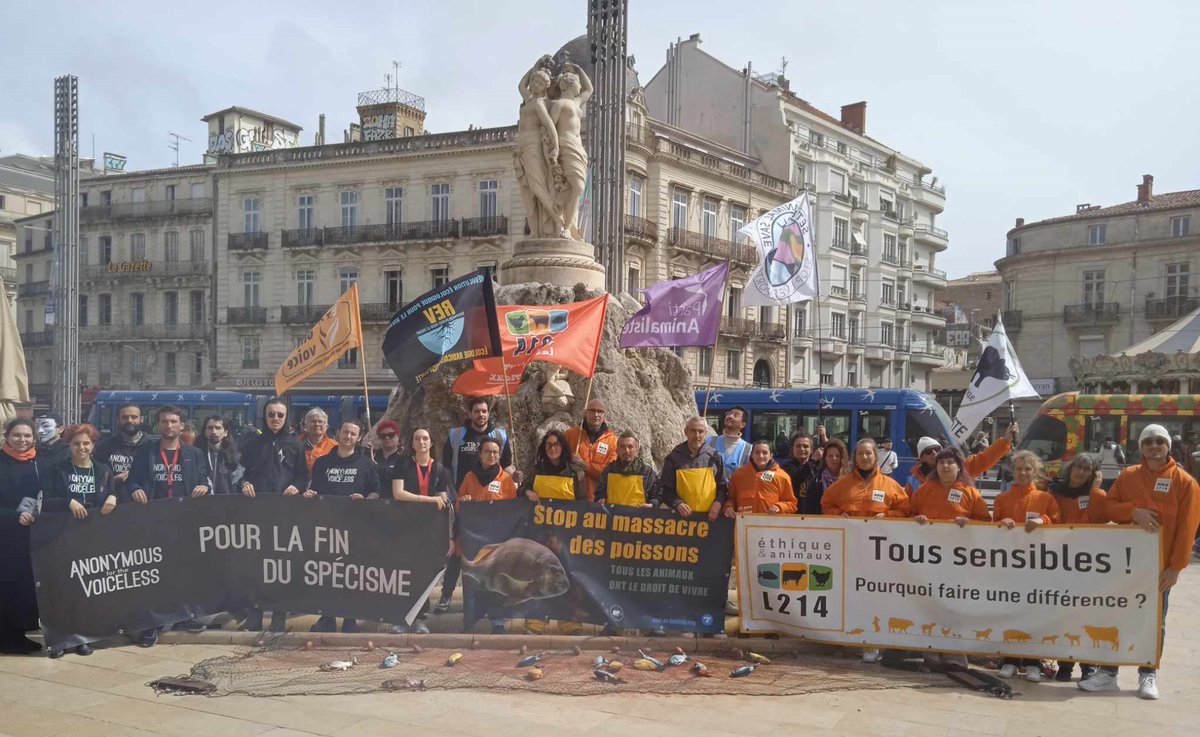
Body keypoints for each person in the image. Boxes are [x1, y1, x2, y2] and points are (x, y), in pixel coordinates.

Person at [1080, 424, 1200, 700]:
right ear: (1141, 447)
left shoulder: (1185, 483)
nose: (1154, 446)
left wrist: (1176, 567)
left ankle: (1148, 674)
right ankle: (1108, 674)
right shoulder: (1128, 476)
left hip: (1159, 569)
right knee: (1117, 616)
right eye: (1149, 441)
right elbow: (1109, 507)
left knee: (1155, 621)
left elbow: (1188, 528)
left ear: (1168, 446)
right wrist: (1134, 512)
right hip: (1125, 566)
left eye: (1159, 441)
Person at [126, 406, 211, 646]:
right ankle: (152, 625)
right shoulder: (146, 452)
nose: (169, 426)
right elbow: (132, 481)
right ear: (158, 426)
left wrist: (204, 487)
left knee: (184, 571)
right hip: (154, 520)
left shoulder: (194, 454)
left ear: (181, 426)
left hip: (184, 521)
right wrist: (135, 489)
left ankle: (185, 617)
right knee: (155, 574)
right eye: (164, 422)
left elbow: (204, 480)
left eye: (174, 421)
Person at [821, 438, 909, 662]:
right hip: (850, 551)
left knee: (876, 596)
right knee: (851, 594)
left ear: (875, 456)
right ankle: (852, 638)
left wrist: (888, 516)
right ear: (854, 458)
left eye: (868, 453)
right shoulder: (842, 484)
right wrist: (838, 515)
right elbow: (826, 504)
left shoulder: (889, 485)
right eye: (860, 453)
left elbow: (905, 509)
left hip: (880, 552)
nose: (864, 457)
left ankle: (874, 641)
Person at [910, 446, 990, 669]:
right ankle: (931, 654)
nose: (945, 466)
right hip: (928, 559)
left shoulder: (970, 492)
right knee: (931, 606)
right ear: (935, 467)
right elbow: (908, 513)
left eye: (950, 463)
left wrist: (970, 524)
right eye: (941, 462)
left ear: (959, 467)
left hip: (958, 561)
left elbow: (986, 521)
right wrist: (916, 519)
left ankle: (955, 656)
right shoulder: (925, 490)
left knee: (955, 608)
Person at [42, 423, 119, 657]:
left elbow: (112, 494)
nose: (82, 447)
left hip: (91, 536)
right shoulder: (57, 469)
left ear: (93, 445)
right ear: (69, 445)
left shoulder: (103, 470)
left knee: (87, 588)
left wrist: (113, 497)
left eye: (86, 443)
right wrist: (68, 502)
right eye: (76, 443)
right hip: (62, 535)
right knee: (62, 588)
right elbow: (44, 501)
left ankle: (83, 637)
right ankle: (60, 639)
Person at [435, 397, 515, 614]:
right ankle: (445, 596)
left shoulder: (499, 436)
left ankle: (489, 602)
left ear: (489, 413)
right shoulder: (457, 435)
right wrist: (454, 497)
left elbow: (507, 466)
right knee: (456, 554)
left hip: (490, 512)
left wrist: (511, 478)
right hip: (463, 503)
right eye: (477, 411)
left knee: (489, 556)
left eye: (484, 411)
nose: (481, 415)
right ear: (469, 413)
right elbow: (446, 470)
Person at [305, 419, 381, 634]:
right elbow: (315, 491)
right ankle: (327, 617)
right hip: (327, 527)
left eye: (353, 434)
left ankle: (350, 619)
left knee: (352, 575)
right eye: (345, 432)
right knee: (329, 574)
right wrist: (310, 495)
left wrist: (366, 499)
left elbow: (376, 491)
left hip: (355, 528)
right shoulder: (322, 463)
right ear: (337, 434)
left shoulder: (366, 464)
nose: (348, 437)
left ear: (358, 438)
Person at [238, 399, 307, 632]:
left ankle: (279, 617)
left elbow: (301, 476)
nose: (275, 419)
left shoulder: (296, 445)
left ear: (286, 417)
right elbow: (241, 473)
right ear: (264, 417)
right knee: (256, 566)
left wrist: (297, 487)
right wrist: (244, 483)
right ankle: (254, 615)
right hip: (257, 512)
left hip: (285, 514)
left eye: (280, 415)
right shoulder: (252, 443)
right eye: (271, 414)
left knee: (281, 566)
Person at [991, 450, 1060, 682]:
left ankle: (1032, 661)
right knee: (1009, 613)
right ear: (1013, 471)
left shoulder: (1045, 498)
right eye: (1019, 468)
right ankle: (1009, 660)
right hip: (1009, 566)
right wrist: (1002, 523)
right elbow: (991, 530)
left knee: (1033, 613)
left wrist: (1043, 520)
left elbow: (1059, 522)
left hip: (1037, 566)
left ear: (1035, 472)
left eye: (1027, 468)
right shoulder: (1002, 499)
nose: (1022, 473)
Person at [660, 416, 729, 636]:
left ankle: (710, 624)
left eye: (701, 431)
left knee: (710, 574)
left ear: (706, 433)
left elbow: (723, 488)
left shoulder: (714, 457)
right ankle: (684, 623)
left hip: (710, 526)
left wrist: (718, 504)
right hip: (683, 526)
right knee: (683, 575)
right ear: (685, 431)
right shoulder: (674, 457)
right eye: (693, 431)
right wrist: (677, 504)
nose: (697, 436)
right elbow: (665, 489)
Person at [1046, 452, 1105, 682]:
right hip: (1060, 562)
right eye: (1078, 467)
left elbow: (1099, 519)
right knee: (1065, 617)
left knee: (1086, 616)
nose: (1081, 472)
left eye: (1087, 470)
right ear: (1070, 469)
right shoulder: (1055, 492)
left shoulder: (1093, 495)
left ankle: (1088, 665)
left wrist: (1096, 491)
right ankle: (1065, 665)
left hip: (1085, 563)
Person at [390, 427, 455, 634]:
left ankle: (419, 618)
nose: (421, 442)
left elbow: (443, 500)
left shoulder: (440, 470)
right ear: (412, 443)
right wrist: (428, 500)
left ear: (431, 443)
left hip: (429, 530)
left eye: (425, 438)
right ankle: (401, 617)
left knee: (423, 574)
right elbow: (398, 493)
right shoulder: (402, 464)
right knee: (404, 572)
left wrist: (438, 500)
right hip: (405, 526)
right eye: (417, 438)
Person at [521, 430, 587, 635]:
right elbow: (521, 490)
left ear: (563, 447)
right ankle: (535, 622)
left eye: (556, 444)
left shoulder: (575, 472)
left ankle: (570, 623)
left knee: (567, 576)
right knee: (538, 575)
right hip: (539, 533)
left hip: (566, 535)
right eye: (548, 444)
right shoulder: (536, 469)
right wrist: (526, 492)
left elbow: (583, 503)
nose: (552, 448)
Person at [456, 437, 518, 634]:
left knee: (496, 582)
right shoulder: (469, 478)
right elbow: (458, 506)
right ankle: (470, 619)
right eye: (488, 452)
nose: (492, 455)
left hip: (497, 542)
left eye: (495, 452)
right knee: (473, 581)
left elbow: (512, 510)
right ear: (480, 454)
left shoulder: (506, 480)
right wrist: (463, 501)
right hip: (473, 542)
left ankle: (497, 620)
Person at [0, 419, 46, 655]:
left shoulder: (38, 463)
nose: (22, 440)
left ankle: (18, 634)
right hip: (5, 535)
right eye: (17, 435)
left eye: (27, 436)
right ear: (6, 436)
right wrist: (12, 517)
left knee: (24, 586)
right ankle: (8, 638)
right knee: (6, 587)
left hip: (30, 535)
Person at [904, 425, 1019, 496]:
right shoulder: (914, 482)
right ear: (921, 458)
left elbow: (984, 459)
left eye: (937, 449)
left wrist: (1006, 440)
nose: (934, 453)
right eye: (928, 452)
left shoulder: (960, 468)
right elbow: (905, 507)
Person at [724, 440, 797, 516]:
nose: (761, 456)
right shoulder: (738, 475)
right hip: (744, 524)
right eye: (757, 452)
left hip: (771, 524)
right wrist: (728, 507)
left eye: (765, 453)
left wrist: (779, 507)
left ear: (771, 455)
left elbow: (792, 504)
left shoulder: (782, 476)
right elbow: (731, 498)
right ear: (751, 455)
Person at [563, 399, 618, 501]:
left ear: (604, 415)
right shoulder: (570, 434)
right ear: (586, 412)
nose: (596, 414)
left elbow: (609, 473)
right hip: (571, 496)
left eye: (600, 411)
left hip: (598, 499)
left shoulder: (613, 441)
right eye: (592, 411)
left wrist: (585, 466)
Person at [94, 403, 151, 492]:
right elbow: (94, 478)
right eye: (125, 417)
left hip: (146, 502)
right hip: (114, 502)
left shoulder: (152, 446)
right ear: (118, 419)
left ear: (142, 419)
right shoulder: (105, 446)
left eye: (134, 417)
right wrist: (113, 481)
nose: (129, 420)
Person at [595, 431, 659, 508]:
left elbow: (657, 494)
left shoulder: (646, 471)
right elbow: (599, 492)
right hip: (612, 517)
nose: (626, 450)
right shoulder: (609, 470)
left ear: (637, 450)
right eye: (622, 447)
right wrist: (600, 499)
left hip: (639, 518)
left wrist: (652, 504)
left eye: (630, 447)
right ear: (617, 450)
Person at [802, 437, 849, 515]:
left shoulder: (850, 481)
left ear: (842, 458)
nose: (834, 459)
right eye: (830, 456)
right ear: (825, 458)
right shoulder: (816, 482)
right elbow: (808, 510)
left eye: (837, 456)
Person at [195, 415, 240, 496]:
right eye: (210, 428)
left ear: (225, 433)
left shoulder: (235, 456)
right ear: (205, 431)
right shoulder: (196, 455)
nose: (214, 431)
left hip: (227, 504)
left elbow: (239, 480)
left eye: (218, 428)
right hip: (203, 503)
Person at [780, 430, 821, 511]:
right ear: (793, 449)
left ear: (811, 450)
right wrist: (812, 462)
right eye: (798, 446)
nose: (802, 449)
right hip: (794, 514)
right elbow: (798, 476)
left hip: (815, 516)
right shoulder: (785, 468)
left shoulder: (819, 467)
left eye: (805, 446)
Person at [708, 405, 751, 479]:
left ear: (742, 424)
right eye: (729, 413)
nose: (730, 416)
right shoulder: (709, 441)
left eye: (736, 415)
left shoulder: (749, 449)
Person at [300, 408, 336, 475]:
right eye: (313, 421)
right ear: (306, 425)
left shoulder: (335, 446)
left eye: (320, 421)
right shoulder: (295, 444)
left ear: (326, 426)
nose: (317, 424)